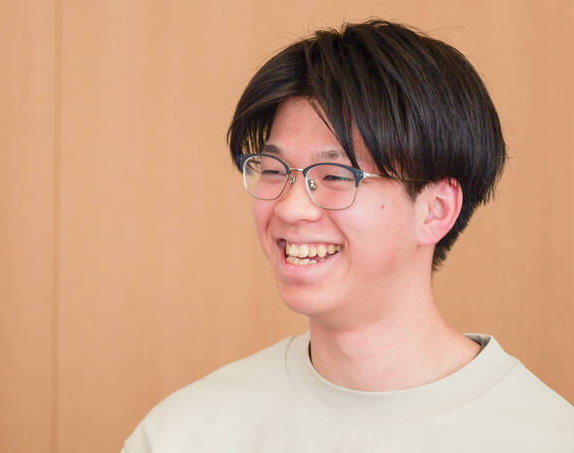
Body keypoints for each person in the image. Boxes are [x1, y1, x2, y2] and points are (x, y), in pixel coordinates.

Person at [122, 20, 574, 452]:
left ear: (436, 210)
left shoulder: (545, 437)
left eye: (336, 175)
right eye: (274, 169)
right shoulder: (184, 434)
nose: (289, 208)